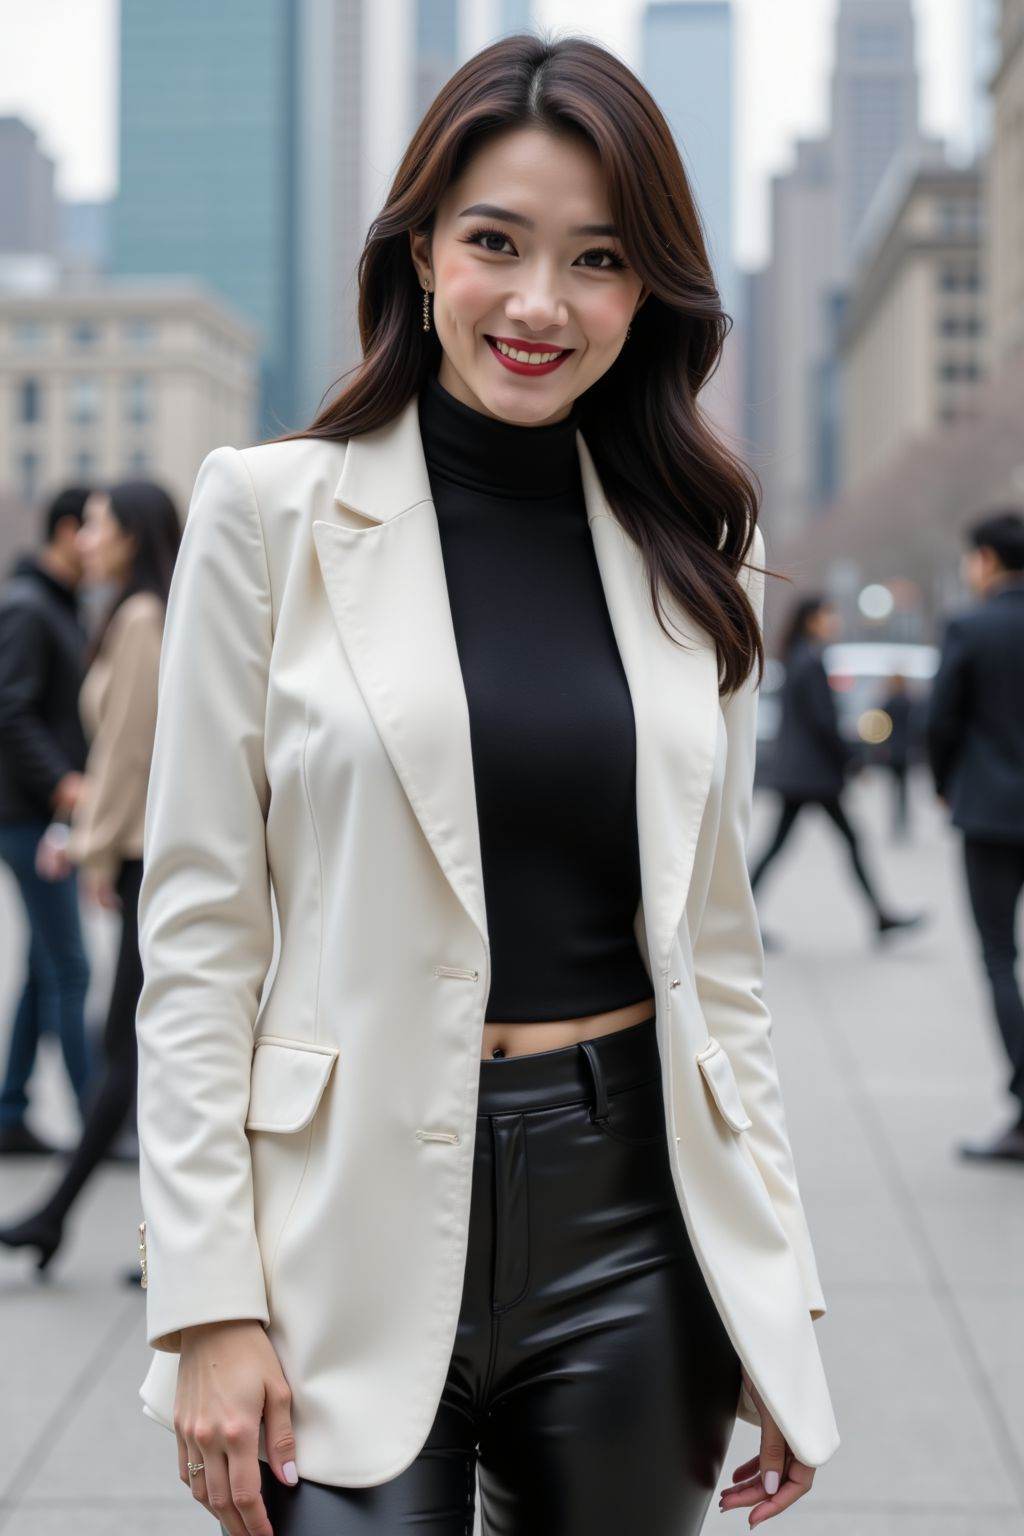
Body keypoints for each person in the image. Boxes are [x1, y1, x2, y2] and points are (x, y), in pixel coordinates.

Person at [133, 34, 839, 1536]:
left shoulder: (693, 544)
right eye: (495, 244)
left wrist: (775, 1293)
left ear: (648, 292)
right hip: (341, 1219)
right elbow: (200, 938)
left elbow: (723, 963)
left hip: (632, 1223)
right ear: (420, 253)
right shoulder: (269, 515)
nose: (539, 303)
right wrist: (205, 1302)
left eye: (595, 258)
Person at [0, 482, 181, 1269]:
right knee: (137, 1049)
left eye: (101, 523)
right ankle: (68, 1216)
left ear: (135, 533)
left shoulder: (141, 617)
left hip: (149, 857)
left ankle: (69, 1216)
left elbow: (131, 750)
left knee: (136, 1049)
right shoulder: (130, 612)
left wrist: (88, 843)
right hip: (142, 852)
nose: (88, 537)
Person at [926, 508, 1024, 1164]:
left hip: (991, 814)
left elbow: (942, 720)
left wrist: (943, 783)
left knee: (998, 956)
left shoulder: (971, 625)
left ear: (985, 560)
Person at [0, 487, 93, 1155]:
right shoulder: (30, 607)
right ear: (66, 530)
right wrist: (63, 781)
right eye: (90, 526)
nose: (97, 541)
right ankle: (99, 1117)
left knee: (43, 964)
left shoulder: (54, 606)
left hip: (40, 813)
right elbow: (10, 708)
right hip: (28, 815)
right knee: (71, 964)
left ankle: (9, 1112)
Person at [749, 595, 924, 943]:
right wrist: (852, 759)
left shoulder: (798, 657)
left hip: (801, 775)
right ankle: (880, 916)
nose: (835, 621)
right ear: (812, 619)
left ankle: (880, 916)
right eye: (829, 615)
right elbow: (823, 722)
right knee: (837, 843)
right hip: (811, 776)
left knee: (786, 847)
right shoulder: (810, 661)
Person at [878, 672, 914, 839]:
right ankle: (903, 821)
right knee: (904, 789)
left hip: (892, 750)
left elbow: (880, 724)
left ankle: (895, 822)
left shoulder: (889, 703)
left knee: (893, 788)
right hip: (905, 749)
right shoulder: (909, 702)